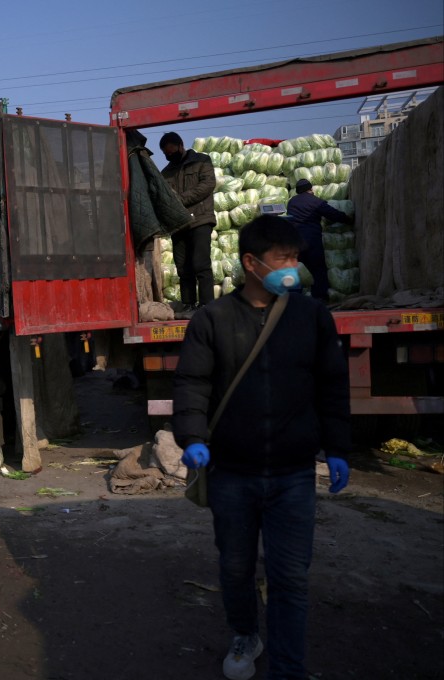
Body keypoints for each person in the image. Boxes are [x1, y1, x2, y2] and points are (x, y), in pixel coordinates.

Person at [172, 214, 351, 680]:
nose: (293, 266)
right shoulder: (212, 319)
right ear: (251, 263)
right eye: (283, 258)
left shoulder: (312, 316)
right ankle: (246, 634)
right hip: (233, 473)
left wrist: (337, 447)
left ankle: (288, 667)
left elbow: (332, 386)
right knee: (235, 568)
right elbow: (193, 384)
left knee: (291, 577)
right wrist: (191, 438)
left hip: (293, 475)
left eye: (296, 257)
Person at [159, 132, 218, 319]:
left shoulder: (201, 161)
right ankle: (188, 305)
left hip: (200, 219)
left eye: (171, 151)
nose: (169, 156)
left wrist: (181, 200)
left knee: (201, 264)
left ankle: (207, 306)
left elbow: (208, 185)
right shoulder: (166, 172)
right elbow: (164, 197)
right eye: (166, 154)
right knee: (183, 267)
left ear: (180, 145)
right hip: (179, 225)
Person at [285, 179, 353, 303]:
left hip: (294, 242)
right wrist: (348, 219)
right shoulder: (315, 201)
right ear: (310, 189)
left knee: (298, 270)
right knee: (317, 269)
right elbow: (332, 213)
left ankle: (297, 297)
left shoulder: (291, 202)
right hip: (311, 241)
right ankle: (319, 297)